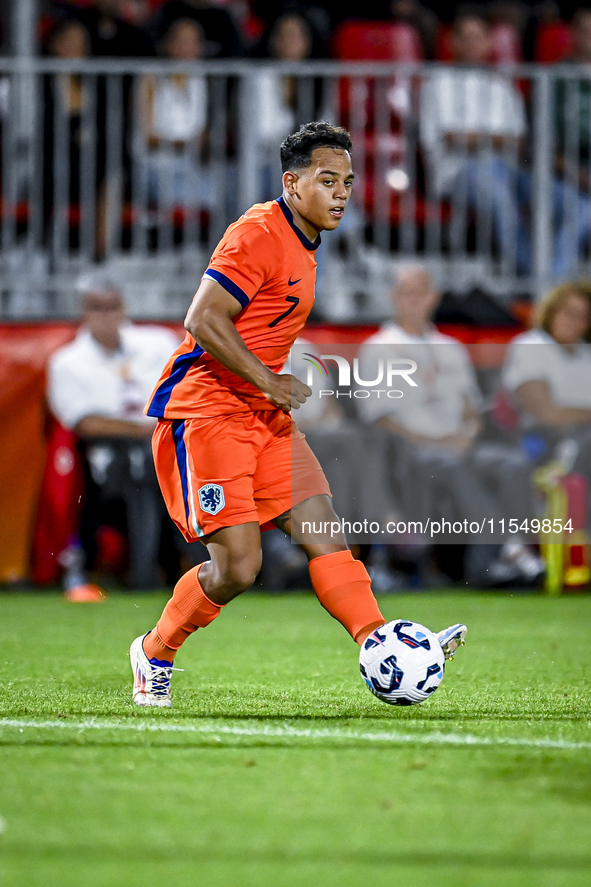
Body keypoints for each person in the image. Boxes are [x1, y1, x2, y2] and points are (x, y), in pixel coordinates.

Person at [129, 121, 467, 707]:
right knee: (237, 568)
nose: (341, 193)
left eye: (348, 182)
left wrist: (268, 391)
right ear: (292, 182)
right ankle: (154, 651)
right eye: (327, 179)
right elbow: (203, 320)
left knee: (326, 533)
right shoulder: (258, 233)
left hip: (263, 419)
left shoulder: (306, 243)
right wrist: (268, 379)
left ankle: (382, 641)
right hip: (207, 413)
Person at [356, 263, 544, 587]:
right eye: (406, 293)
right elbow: (380, 419)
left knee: (512, 464)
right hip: (410, 450)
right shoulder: (377, 349)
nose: (413, 300)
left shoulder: (452, 349)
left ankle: (494, 561)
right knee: (451, 464)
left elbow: (472, 409)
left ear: (433, 298)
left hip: (459, 445)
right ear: (393, 297)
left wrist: (467, 435)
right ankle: (509, 550)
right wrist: (438, 443)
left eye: (420, 293)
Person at [47, 271, 184, 600]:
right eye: (97, 307)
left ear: (124, 308)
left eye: (113, 306)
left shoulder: (158, 342)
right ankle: (147, 572)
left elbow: (187, 387)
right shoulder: (67, 362)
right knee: (145, 462)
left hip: (174, 444)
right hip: (109, 460)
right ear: (84, 311)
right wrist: (143, 429)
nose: (106, 315)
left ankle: (238, 566)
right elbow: (85, 423)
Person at [502, 282, 591, 487]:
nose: (575, 322)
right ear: (552, 311)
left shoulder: (586, 353)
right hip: (546, 440)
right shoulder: (531, 347)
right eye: (569, 313)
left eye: (583, 316)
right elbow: (546, 414)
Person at [137, 18, 211, 215]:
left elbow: (201, 134)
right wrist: (183, 143)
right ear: (167, 44)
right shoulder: (149, 79)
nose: (186, 47)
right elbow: (146, 136)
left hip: (190, 166)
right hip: (155, 165)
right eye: (180, 40)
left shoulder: (199, 80)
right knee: (183, 193)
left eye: (192, 41)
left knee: (224, 190)